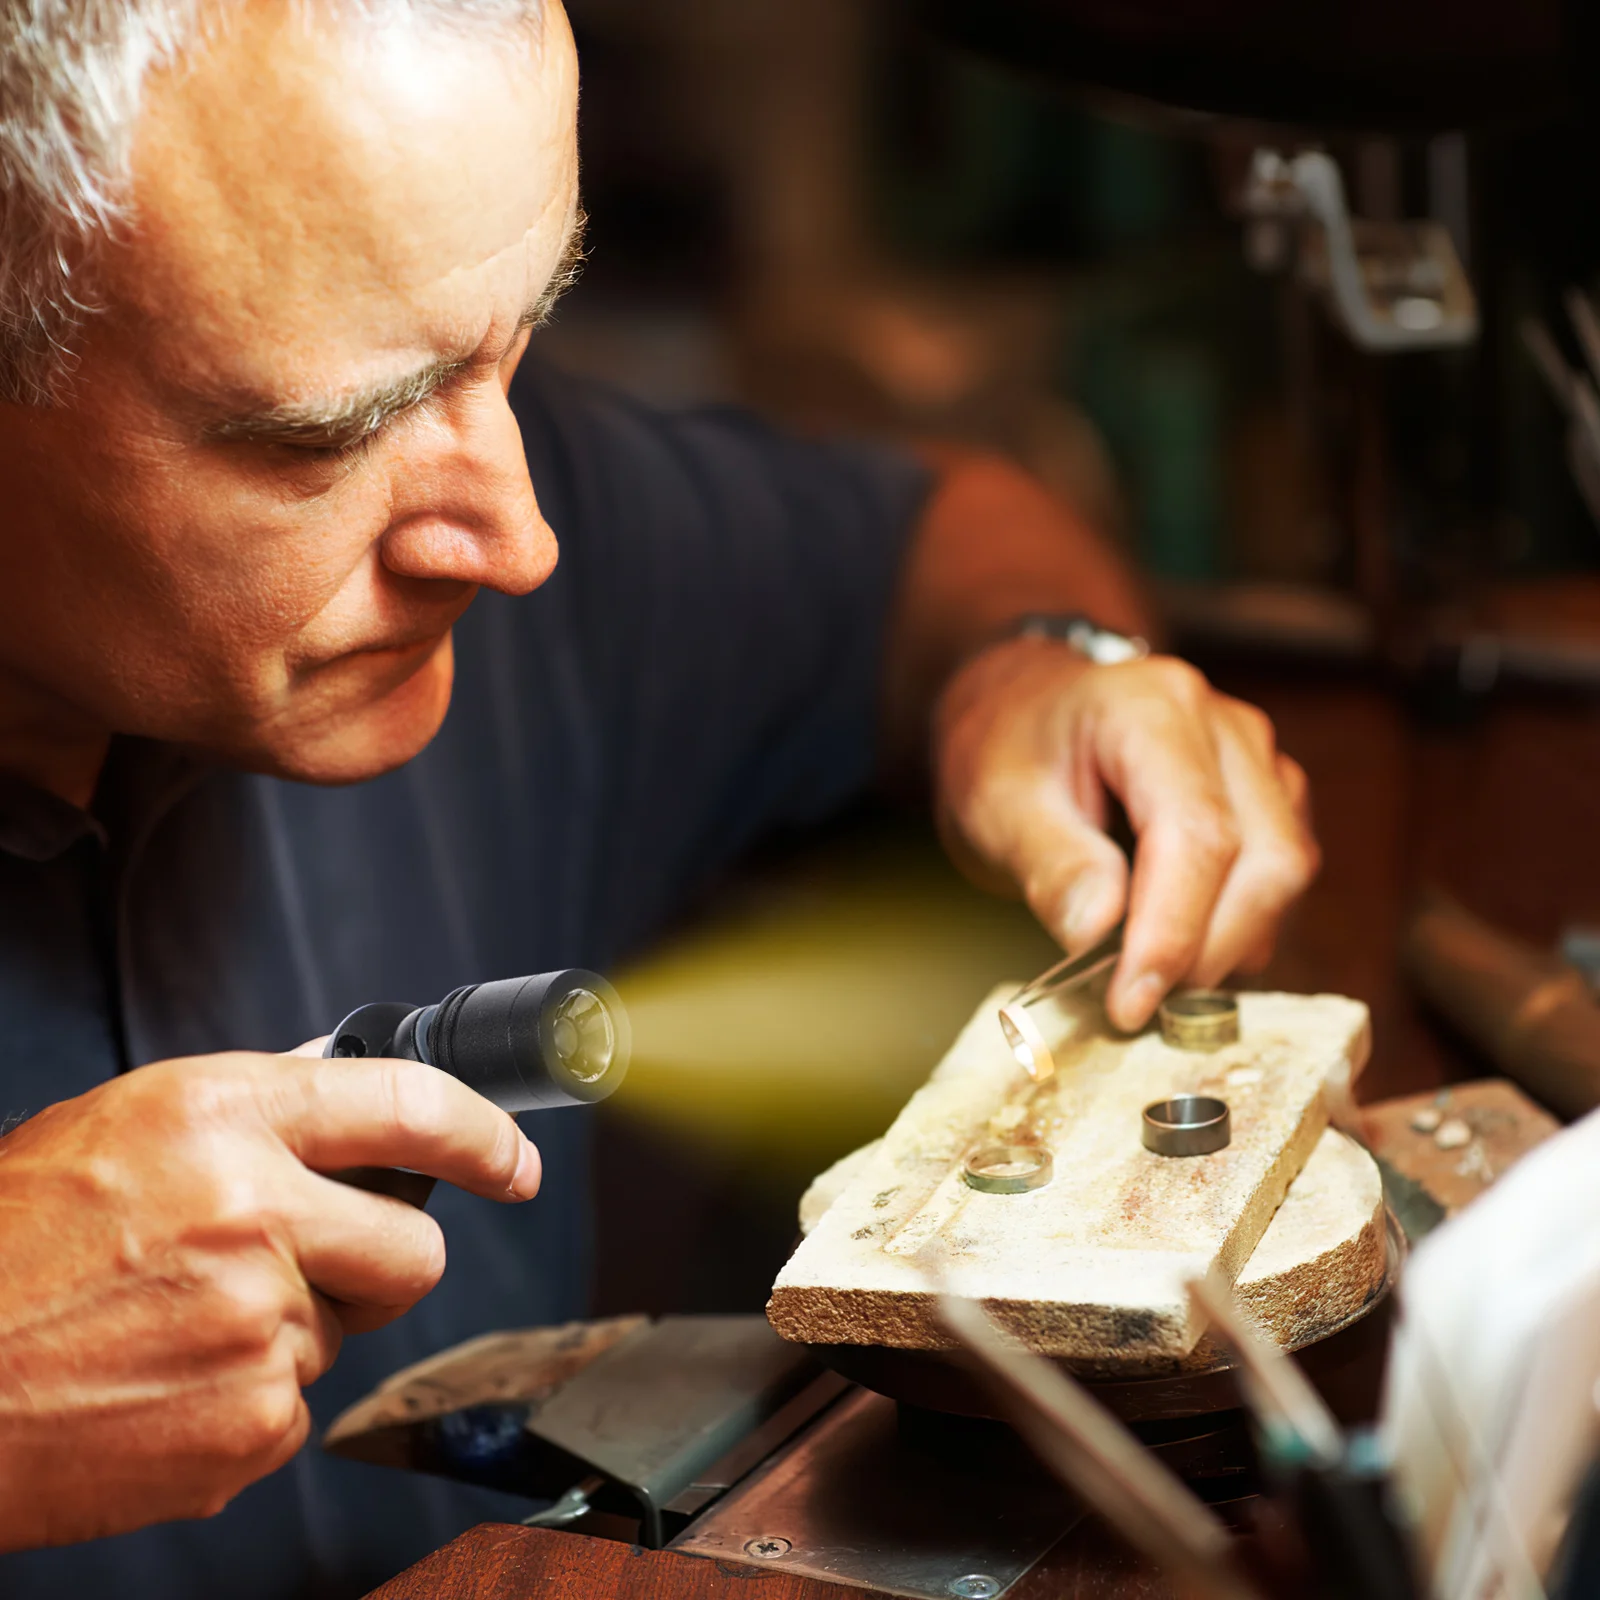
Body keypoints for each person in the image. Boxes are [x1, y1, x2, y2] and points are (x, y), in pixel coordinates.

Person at [0, 0, 1319, 1593]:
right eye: (322, 437)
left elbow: (938, 543)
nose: (516, 538)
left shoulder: (471, 482)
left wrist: (1043, 668)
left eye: (520, 336)